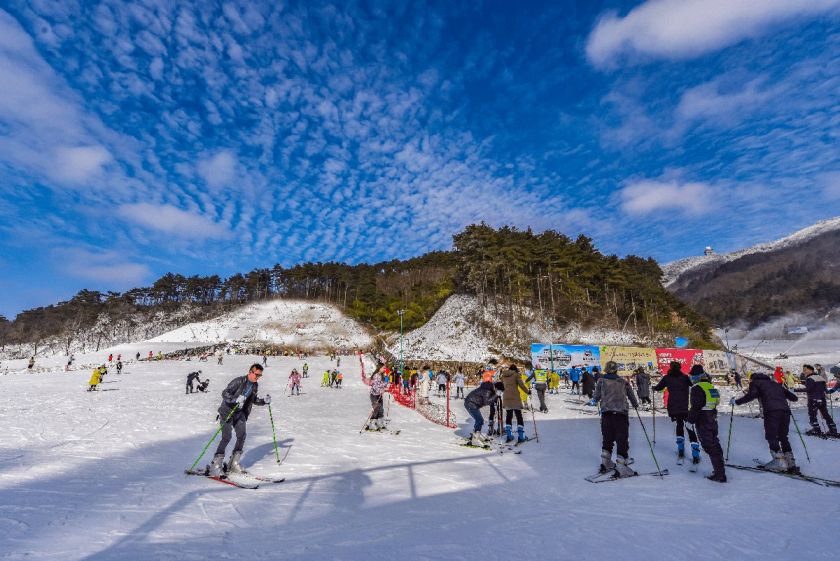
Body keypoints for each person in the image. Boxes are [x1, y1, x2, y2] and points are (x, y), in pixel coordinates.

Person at [208, 364, 271, 476]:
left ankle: (233, 463)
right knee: (227, 437)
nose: (258, 377)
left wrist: (264, 401)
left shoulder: (255, 385)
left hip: (240, 414)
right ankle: (215, 465)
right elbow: (225, 393)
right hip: (227, 412)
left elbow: (253, 400)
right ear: (250, 372)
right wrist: (235, 399)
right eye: (257, 374)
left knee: (242, 436)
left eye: (260, 375)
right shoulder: (239, 381)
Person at [733, 370, 799, 473]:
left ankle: (779, 462)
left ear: (752, 378)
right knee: (783, 437)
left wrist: (736, 402)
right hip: (785, 412)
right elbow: (794, 398)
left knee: (771, 436)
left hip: (771, 412)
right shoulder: (775, 384)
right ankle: (791, 463)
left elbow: (751, 395)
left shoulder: (755, 383)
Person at [591, 361, 639, 477]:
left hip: (606, 413)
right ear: (617, 370)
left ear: (606, 370)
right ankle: (622, 466)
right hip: (620, 414)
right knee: (621, 439)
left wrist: (595, 400)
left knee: (607, 438)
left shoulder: (601, 381)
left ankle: (606, 462)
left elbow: (596, 397)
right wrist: (635, 405)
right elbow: (631, 395)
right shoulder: (622, 382)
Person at [653, 361, 700, 466]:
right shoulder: (685, 377)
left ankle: (681, 450)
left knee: (679, 425)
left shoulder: (667, 378)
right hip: (685, 407)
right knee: (690, 428)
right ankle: (695, 454)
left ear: (670, 367)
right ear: (680, 368)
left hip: (673, 407)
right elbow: (695, 384)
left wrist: (653, 388)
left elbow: (659, 387)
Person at [688, 368, 726, 482]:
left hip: (703, 419)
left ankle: (720, 475)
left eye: (692, 376)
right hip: (712, 418)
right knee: (715, 444)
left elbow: (696, 406)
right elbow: (716, 401)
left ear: (696, 377)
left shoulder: (697, 388)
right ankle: (719, 470)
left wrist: (690, 421)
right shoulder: (710, 386)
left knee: (709, 445)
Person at [795, 364, 837, 436]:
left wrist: (796, 390)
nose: (804, 371)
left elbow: (809, 389)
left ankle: (816, 430)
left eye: (805, 370)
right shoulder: (820, 377)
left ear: (810, 370)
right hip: (822, 399)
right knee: (825, 414)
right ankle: (833, 430)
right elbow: (824, 389)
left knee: (812, 415)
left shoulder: (810, 378)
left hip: (813, 399)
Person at [463, 379, 499, 444]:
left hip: (469, 403)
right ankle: (476, 436)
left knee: (478, 420)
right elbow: (487, 401)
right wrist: (496, 395)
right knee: (480, 420)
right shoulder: (486, 391)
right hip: (471, 405)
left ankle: (476, 433)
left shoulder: (483, 389)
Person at [500, 365, 529, 443]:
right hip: (515, 397)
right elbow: (522, 385)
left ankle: (509, 436)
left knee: (509, 416)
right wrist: (527, 391)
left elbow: (502, 385)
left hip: (506, 397)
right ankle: (521, 436)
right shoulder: (516, 375)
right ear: (515, 369)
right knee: (519, 416)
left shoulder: (503, 376)